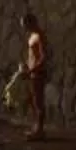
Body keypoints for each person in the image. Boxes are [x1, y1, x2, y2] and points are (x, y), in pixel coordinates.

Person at [22, 13, 50, 141]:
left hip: (38, 73)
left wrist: (32, 70)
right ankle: (36, 128)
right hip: (32, 72)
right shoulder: (33, 36)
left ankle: (40, 131)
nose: (23, 27)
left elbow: (43, 58)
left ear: (30, 23)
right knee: (34, 101)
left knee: (38, 102)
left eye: (24, 24)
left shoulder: (40, 36)